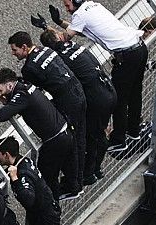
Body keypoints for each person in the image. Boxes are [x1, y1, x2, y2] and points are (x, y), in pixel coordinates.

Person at [50, 0, 148, 153]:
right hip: (139, 48)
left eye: (67, 5)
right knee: (135, 94)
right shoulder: (94, 5)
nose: (67, 9)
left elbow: (63, 38)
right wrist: (60, 21)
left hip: (126, 57)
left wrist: (46, 27)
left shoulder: (80, 14)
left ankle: (119, 140)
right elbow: (82, 31)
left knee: (119, 100)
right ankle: (134, 131)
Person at [0, 67, 81, 201]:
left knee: (44, 176)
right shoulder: (24, 85)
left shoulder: (21, 95)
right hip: (64, 132)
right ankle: (71, 189)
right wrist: (1, 95)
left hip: (56, 140)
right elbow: (14, 104)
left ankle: (52, 203)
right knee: (61, 169)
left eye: (0, 89)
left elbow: (2, 115)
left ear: (9, 85)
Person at [39, 27, 117, 182]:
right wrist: (46, 27)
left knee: (93, 136)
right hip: (108, 90)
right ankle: (94, 169)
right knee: (98, 133)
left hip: (96, 99)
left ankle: (89, 173)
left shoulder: (59, 58)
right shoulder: (73, 45)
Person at [8, 31, 87, 185]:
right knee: (80, 135)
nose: (13, 53)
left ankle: (75, 181)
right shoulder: (47, 50)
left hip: (67, 100)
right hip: (78, 90)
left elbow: (31, 90)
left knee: (73, 139)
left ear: (24, 47)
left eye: (14, 50)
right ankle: (80, 175)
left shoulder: (29, 67)